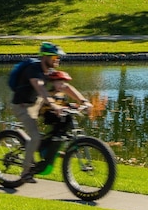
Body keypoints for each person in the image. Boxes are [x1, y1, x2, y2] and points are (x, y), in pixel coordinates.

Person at [10, 42, 89, 184]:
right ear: (44, 57)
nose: (57, 60)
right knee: (35, 137)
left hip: (37, 103)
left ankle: (47, 149)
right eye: (54, 57)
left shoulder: (49, 72)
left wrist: (83, 101)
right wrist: (53, 104)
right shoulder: (33, 70)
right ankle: (26, 172)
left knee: (58, 126)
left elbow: (64, 86)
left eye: (58, 57)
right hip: (22, 106)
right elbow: (40, 88)